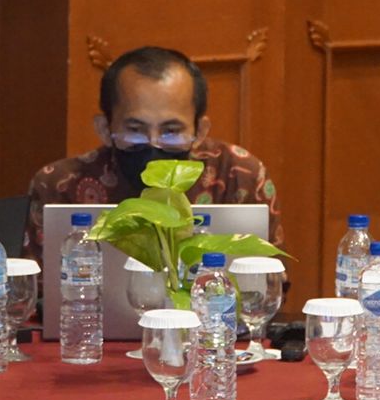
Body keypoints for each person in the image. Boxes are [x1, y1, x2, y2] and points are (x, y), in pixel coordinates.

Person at [23, 45, 283, 262]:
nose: (153, 144)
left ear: (200, 131)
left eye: (171, 131)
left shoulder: (239, 175)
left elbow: (270, 287)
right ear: (105, 129)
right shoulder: (60, 185)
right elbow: (36, 293)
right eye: (135, 130)